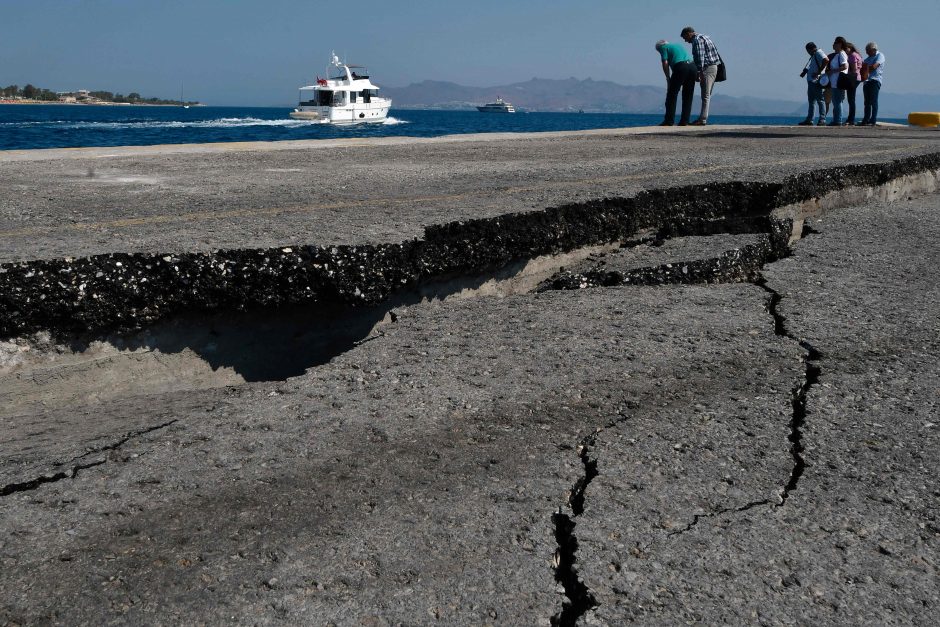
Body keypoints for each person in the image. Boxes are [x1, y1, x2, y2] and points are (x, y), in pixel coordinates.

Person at [680, 26, 721, 126]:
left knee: (705, 95)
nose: (686, 41)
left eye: (685, 38)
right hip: (713, 67)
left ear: (689, 33)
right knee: (707, 94)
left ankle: (702, 119)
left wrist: (700, 72)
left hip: (707, 68)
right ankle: (702, 118)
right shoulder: (705, 37)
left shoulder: (697, 40)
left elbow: (700, 57)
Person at [655, 39, 697, 126]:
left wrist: (668, 77)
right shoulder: (677, 45)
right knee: (688, 95)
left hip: (681, 67)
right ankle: (684, 121)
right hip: (693, 66)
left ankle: (669, 121)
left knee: (672, 94)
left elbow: (665, 62)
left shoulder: (663, 47)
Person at [799, 42, 829, 126]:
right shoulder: (815, 54)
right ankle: (810, 119)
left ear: (810, 49)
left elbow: (826, 60)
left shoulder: (819, 53)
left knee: (820, 100)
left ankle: (822, 119)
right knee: (812, 101)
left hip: (816, 80)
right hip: (812, 81)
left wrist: (818, 72)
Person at [861, 42, 886, 126]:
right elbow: (864, 68)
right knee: (867, 102)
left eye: (868, 50)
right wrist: (867, 69)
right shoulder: (867, 59)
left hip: (875, 80)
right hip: (867, 81)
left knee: (873, 101)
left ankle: (873, 119)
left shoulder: (880, 55)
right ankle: (866, 119)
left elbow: (874, 67)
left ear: (873, 50)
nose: (866, 52)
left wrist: (867, 69)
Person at [827, 38, 849, 126]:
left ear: (840, 44)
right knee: (835, 101)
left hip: (838, 81)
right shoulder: (837, 54)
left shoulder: (842, 54)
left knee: (838, 101)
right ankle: (836, 119)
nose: (833, 44)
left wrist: (832, 71)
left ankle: (838, 120)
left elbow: (844, 66)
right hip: (834, 81)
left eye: (835, 43)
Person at [843, 42, 863, 124]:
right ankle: (851, 118)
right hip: (857, 78)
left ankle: (851, 119)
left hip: (853, 78)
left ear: (850, 48)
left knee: (851, 99)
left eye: (846, 49)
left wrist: (848, 76)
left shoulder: (852, 56)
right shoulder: (857, 55)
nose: (845, 50)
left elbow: (854, 69)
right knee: (852, 99)